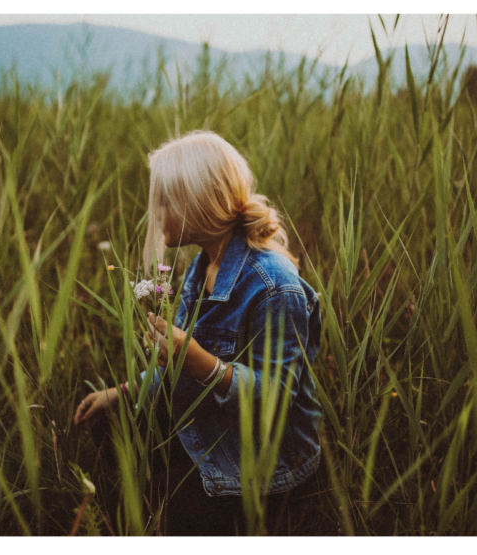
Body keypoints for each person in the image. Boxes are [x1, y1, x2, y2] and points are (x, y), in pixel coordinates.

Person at [73, 130, 325, 535]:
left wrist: (196, 361)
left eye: (164, 200)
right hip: (216, 421)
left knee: (173, 508)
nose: (155, 211)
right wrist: (121, 392)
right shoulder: (202, 266)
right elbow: (179, 364)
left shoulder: (276, 287)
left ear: (200, 202)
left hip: (271, 458)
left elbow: (276, 400)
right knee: (113, 422)